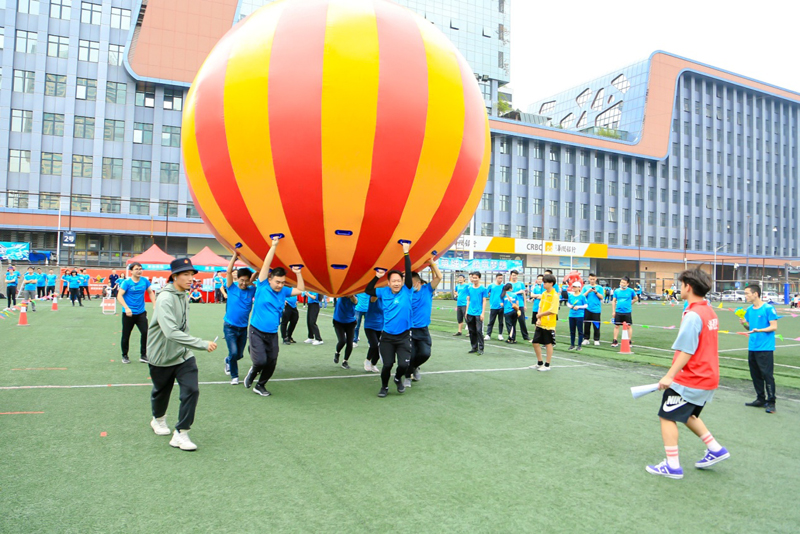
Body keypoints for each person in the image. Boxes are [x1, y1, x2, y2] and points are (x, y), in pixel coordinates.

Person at [646, 268, 729, 479]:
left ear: (688, 287)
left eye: (680, 284)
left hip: (691, 378)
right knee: (687, 414)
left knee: (666, 416)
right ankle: (715, 449)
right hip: (707, 376)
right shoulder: (708, 310)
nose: (678, 288)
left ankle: (672, 466)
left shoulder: (693, 314)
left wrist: (669, 376)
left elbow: (686, 350)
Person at [147, 257, 218, 451]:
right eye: (185, 274)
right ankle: (158, 419)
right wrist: (201, 344)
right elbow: (170, 332)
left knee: (191, 390)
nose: (190, 278)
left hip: (183, 354)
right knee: (162, 392)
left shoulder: (184, 295)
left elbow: (182, 329)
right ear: (174, 276)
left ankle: (181, 433)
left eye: (192, 274)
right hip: (161, 355)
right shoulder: (165, 298)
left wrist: (190, 346)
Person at [244, 237, 304, 397]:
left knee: (272, 362)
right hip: (256, 330)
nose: (279, 285)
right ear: (270, 279)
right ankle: (253, 372)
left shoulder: (283, 291)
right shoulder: (262, 285)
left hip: (272, 334)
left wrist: (298, 273)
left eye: (282, 282)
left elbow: (300, 289)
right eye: (277, 281)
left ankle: (260, 385)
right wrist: (274, 245)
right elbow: (265, 264)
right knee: (260, 361)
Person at [365, 241, 413, 397]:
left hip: (404, 336)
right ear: (389, 283)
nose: (397, 283)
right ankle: (384, 387)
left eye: (399, 281)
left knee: (403, 365)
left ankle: (398, 379)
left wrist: (406, 252)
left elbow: (408, 271)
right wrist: (376, 276)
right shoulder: (383, 292)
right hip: (387, 337)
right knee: (387, 364)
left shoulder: (407, 291)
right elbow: (368, 290)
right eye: (394, 281)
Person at [739, 284, 778, 413]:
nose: (745, 296)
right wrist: (744, 323)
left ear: (755, 294)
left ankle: (771, 402)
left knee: (767, 375)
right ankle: (760, 399)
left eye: (747, 293)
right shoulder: (749, 310)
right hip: (753, 347)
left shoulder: (768, 308)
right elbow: (749, 328)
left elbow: (773, 326)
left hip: (765, 348)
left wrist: (759, 330)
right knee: (755, 375)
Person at [404, 258, 442, 387]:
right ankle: (407, 376)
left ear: (419, 282)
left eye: (412, 283)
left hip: (423, 329)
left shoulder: (427, 289)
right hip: (409, 329)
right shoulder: (406, 292)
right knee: (411, 355)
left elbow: (439, 276)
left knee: (425, 353)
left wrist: (431, 263)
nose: (410, 285)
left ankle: (414, 368)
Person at [222, 251, 256, 386]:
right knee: (234, 352)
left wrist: (257, 269)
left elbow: (255, 277)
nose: (243, 283)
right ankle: (234, 376)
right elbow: (229, 271)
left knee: (239, 355)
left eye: (246, 280)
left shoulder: (251, 290)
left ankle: (228, 360)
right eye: (241, 280)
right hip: (229, 326)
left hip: (242, 328)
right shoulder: (231, 288)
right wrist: (234, 257)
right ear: (237, 279)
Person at [117, 262, 157, 364]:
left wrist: (154, 304)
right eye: (136, 269)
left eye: (140, 268)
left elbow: (150, 292)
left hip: (141, 313)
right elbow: (119, 296)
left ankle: (143, 355)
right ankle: (125, 355)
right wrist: (126, 308)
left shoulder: (144, 281)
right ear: (131, 271)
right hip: (128, 314)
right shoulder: (126, 283)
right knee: (126, 335)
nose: (139, 270)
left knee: (145, 332)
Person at [529, 273, 559, 371]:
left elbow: (553, 310)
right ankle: (539, 362)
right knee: (535, 342)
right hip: (541, 323)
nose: (543, 284)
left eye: (545, 283)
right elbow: (540, 307)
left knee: (548, 343)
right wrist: (538, 319)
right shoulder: (544, 294)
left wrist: (540, 315)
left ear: (551, 283)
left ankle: (547, 365)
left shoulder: (555, 295)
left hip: (549, 324)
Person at [464, 271, 488, 355]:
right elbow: (468, 300)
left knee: (479, 330)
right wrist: (466, 311)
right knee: (471, 331)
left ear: (479, 278)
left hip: (478, 313)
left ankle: (481, 348)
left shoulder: (483, 289)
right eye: (473, 277)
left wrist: (482, 313)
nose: (474, 279)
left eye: (476, 278)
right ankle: (474, 347)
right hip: (470, 312)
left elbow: (484, 301)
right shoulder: (469, 288)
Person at [332, 295, 358, 369]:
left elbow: (355, 301)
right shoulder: (340, 295)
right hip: (338, 322)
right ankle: (337, 352)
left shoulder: (354, 296)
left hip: (351, 322)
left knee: (350, 343)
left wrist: (351, 295)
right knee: (342, 341)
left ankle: (345, 361)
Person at [611, 276, 638, 348]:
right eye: (621, 282)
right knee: (617, 326)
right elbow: (613, 301)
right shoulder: (616, 291)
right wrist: (613, 311)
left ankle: (629, 341)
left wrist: (630, 303)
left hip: (627, 311)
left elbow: (636, 298)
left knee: (628, 326)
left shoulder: (631, 291)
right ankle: (615, 340)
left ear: (627, 284)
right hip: (618, 311)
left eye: (624, 283)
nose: (622, 284)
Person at [362, 293, 383, 373]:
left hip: (380, 326)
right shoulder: (374, 296)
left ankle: (373, 364)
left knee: (380, 347)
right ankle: (367, 360)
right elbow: (373, 299)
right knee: (374, 344)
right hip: (370, 326)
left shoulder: (385, 299)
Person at [582, 273, 604, 346]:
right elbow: (582, 296)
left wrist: (596, 292)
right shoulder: (585, 287)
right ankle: (586, 339)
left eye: (593, 279)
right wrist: (588, 291)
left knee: (596, 325)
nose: (592, 280)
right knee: (587, 324)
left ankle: (596, 339)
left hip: (596, 309)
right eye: (591, 279)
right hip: (587, 308)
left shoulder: (599, 287)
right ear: (589, 279)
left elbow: (601, 297)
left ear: (596, 279)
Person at [508, 270, 529, 342]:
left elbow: (524, 293)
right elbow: (507, 293)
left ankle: (525, 336)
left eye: (516, 275)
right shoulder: (508, 284)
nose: (514, 276)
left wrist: (525, 305)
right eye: (513, 275)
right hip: (512, 305)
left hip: (520, 304)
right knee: (513, 322)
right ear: (511, 275)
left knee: (522, 321)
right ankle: (512, 337)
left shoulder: (520, 284)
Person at [567, 281, 588, 351]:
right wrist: (571, 306)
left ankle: (579, 345)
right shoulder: (571, 295)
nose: (574, 288)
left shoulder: (582, 296)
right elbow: (568, 303)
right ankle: (572, 344)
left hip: (579, 315)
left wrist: (578, 307)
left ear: (579, 288)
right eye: (573, 287)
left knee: (580, 331)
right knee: (572, 331)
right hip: (571, 315)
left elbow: (586, 305)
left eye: (575, 287)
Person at [485, 273, 506, 341]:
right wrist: (489, 294)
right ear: (496, 278)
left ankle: (500, 334)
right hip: (493, 306)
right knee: (491, 321)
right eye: (499, 278)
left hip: (501, 307)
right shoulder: (491, 285)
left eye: (501, 278)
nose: (500, 279)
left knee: (501, 322)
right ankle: (488, 334)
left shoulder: (503, 286)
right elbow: (486, 293)